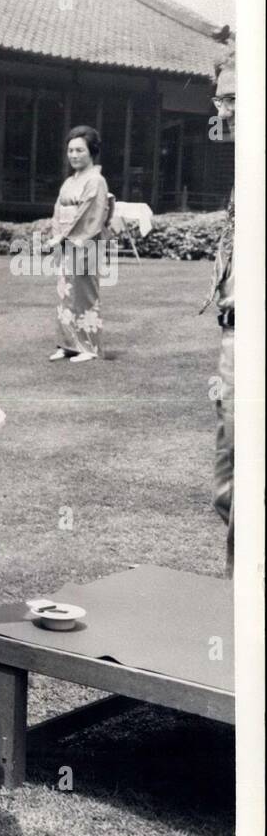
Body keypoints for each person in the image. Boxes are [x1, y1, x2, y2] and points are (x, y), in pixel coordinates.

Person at [202, 46, 235, 575]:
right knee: (232, 487)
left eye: (232, 99)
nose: (220, 111)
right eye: (219, 97)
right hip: (237, 340)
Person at [47, 126, 109, 363]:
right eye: (70, 150)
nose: (73, 155)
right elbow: (58, 210)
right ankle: (68, 344)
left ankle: (89, 347)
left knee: (84, 294)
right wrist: (57, 236)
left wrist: (64, 237)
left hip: (85, 243)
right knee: (66, 294)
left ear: (91, 151)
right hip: (66, 241)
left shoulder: (96, 180)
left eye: (79, 150)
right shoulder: (69, 181)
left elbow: (88, 214)